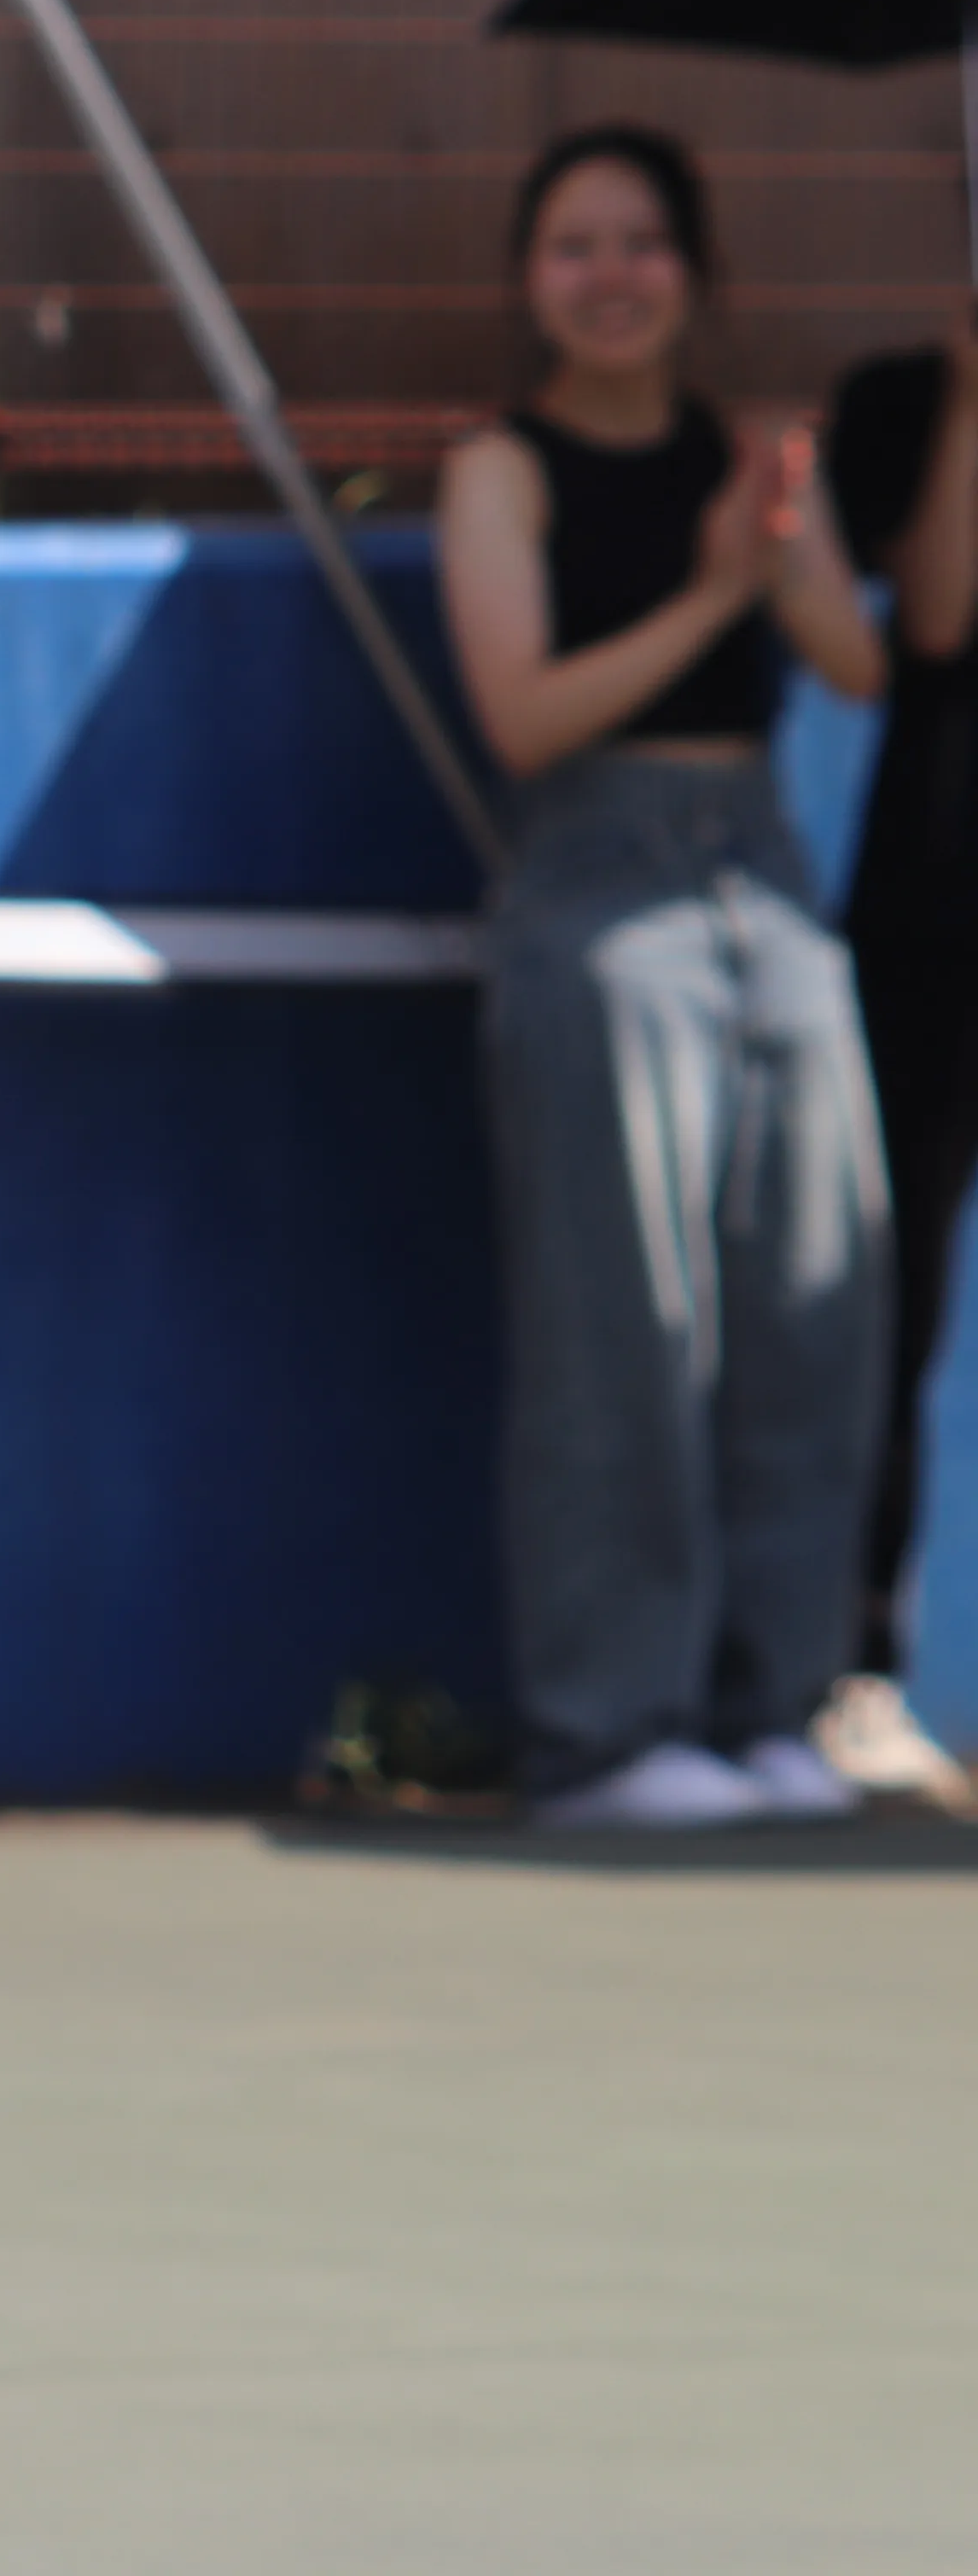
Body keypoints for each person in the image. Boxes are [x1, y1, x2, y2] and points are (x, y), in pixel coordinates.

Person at [432, 121, 893, 1833]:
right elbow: (526, 713)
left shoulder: (758, 457)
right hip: (598, 898)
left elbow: (852, 662)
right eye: (575, 244)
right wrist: (712, 589)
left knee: (811, 1301)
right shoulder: (504, 464)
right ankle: (611, 1729)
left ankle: (773, 1703)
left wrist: (785, 544)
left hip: (769, 890)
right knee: (623, 1325)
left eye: (642, 242)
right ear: (532, 280)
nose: (612, 276)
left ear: (695, 272)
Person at [818, 295, 978, 1808]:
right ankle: (861, 1666)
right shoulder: (902, 401)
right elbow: (929, 618)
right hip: (930, 919)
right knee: (895, 1299)